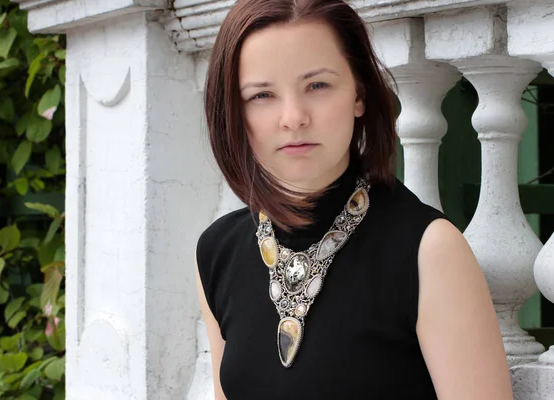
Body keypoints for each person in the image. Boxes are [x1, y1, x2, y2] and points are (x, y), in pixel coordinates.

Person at [195, 0, 513, 398]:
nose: (293, 117)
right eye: (262, 95)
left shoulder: (427, 249)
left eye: (317, 85)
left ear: (359, 93)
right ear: (233, 111)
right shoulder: (217, 251)